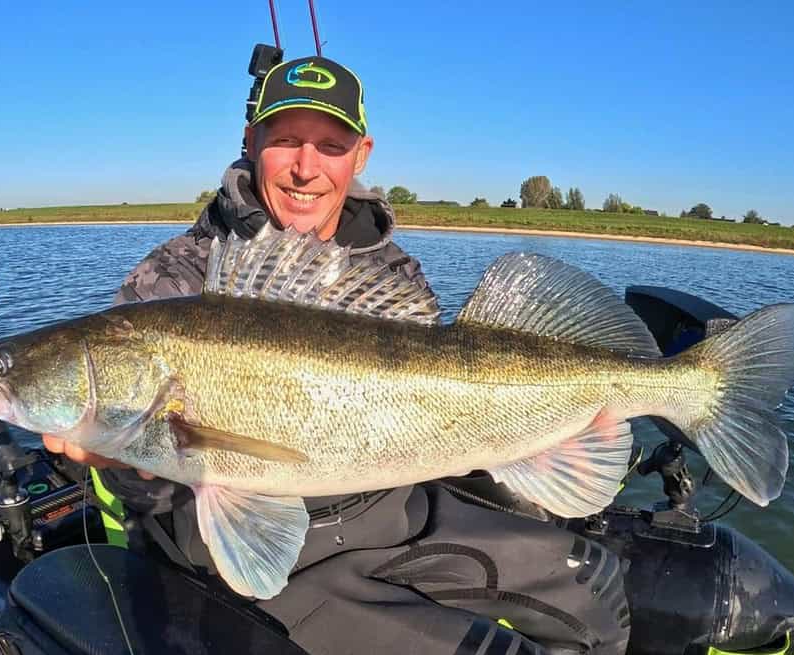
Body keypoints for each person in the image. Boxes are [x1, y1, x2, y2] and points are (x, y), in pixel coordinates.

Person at [45, 55, 630, 655]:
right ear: (252, 143)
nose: (306, 168)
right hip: (248, 554)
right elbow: (150, 465)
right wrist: (117, 455)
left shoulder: (390, 270)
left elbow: (447, 424)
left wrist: (564, 433)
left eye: (330, 145)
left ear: (361, 156)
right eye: (286, 141)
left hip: (390, 515)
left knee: (598, 602)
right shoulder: (178, 278)